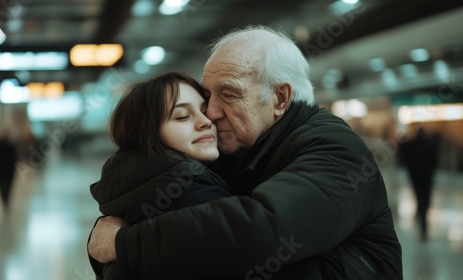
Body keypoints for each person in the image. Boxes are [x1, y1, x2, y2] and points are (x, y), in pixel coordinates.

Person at [88, 25, 403, 279]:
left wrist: (125, 244)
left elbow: (261, 229)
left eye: (228, 94)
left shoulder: (335, 150)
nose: (211, 113)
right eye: (208, 96)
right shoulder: (235, 149)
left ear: (280, 99)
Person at [88, 72, 231, 279]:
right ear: (148, 134)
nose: (206, 122)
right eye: (182, 116)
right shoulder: (194, 191)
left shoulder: (133, 186)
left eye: (204, 111)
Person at [398, 125, 440, 241]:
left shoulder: (412, 144)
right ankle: (423, 219)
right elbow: (435, 161)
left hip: (416, 177)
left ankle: (421, 215)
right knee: (426, 199)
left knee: (419, 197)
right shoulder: (430, 144)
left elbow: (406, 159)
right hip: (427, 177)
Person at [0, 128, 18, 209]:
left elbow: (14, 158)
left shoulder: (11, 146)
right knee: (1, 185)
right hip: (0, 170)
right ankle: (4, 198)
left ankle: (6, 198)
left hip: (9, 170)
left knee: (8, 185)